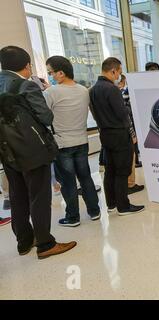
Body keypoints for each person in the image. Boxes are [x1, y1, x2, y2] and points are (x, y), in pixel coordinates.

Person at [0, 46, 76, 258]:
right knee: (39, 196)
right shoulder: (25, 85)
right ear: (26, 66)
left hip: (7, 152)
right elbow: (46, 118)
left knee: (17, 196)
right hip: (32, 151)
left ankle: (24, 241)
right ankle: (45, 244)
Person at [44, 56, 101, 227]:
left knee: (68, 182)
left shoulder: (51, 92)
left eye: (51, 72)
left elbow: (44, 116)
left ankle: (72, 217)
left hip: (62, 143)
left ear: (61, 73)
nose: (50, 76)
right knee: (85, 178)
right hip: (82, 140)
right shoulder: (83, 90)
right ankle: (94, 211)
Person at [89, 57, 144, 215]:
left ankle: (111, 203)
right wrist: (132, 133)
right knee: (122, 171)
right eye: (119, 71)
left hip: (105, 134)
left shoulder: (92, 90)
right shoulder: (112, 89)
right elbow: (122, 114)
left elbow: (94, 114)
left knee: (110, 170)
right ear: (113, 71)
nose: (119, 75)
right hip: (120, 134)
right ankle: (123, 206)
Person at [117, 74, 144, 195]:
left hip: (111, 134)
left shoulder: (96, 91)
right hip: (124, 132)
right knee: (129, 158)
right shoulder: (119, 95)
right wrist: (133, 134)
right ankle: (130, 184)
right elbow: (126, 117)